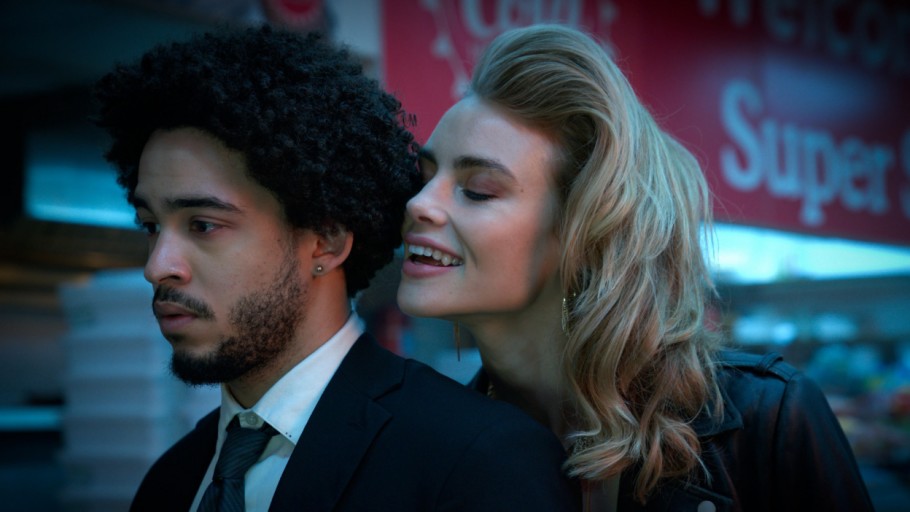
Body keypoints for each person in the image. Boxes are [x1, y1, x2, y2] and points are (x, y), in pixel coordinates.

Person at [94, 25, 581, 512]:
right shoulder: (170, 481)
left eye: (203, 225)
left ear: (326, 241)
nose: (157, 266)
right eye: (151, 226)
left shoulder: (481, 459)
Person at [397, 23, 874, 512]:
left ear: (584, 228)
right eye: (425, 177)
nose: (419, 204)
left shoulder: (768, 420)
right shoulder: (430, 449)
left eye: (477, 190)